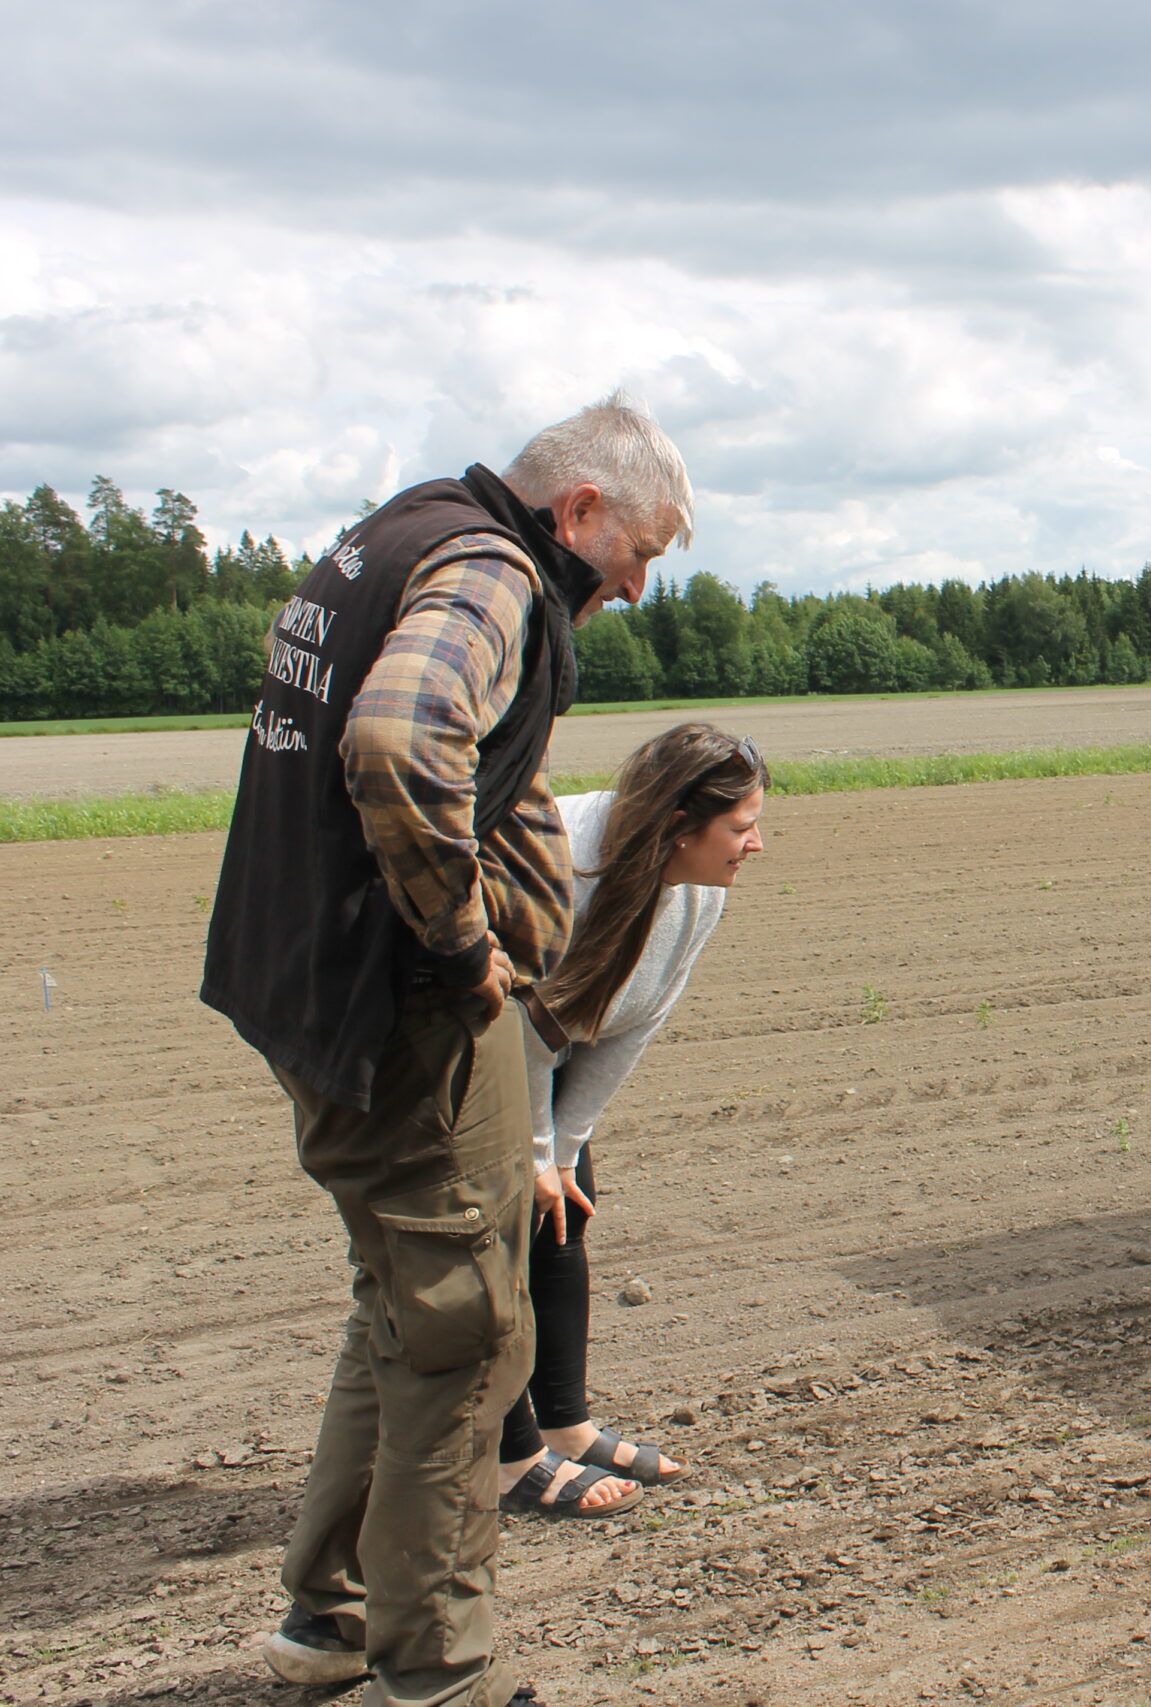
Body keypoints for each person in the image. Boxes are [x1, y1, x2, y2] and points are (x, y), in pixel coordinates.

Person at [199, 393, 693, 1707]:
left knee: (401, 1305)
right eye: (639, 552)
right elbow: (405, 737)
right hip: (398, 1013)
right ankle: (440, 1675)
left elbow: (480, 757)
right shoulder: (490, 568)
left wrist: (524, 890)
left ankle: (331, 1618)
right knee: (472, 1332)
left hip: (302, 985)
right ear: (577, 511)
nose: (638, 587)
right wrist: (470, 945)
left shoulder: (396, 533)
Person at [496, 724, 768, 1516]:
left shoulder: (700, 889)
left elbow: (637, 1015)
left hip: (541, 1043)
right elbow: (526, 1020)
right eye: (742, 827)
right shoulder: (562, 866)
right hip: (473, 1044)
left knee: (567, 1209)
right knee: (506, 1233)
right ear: (679, 825)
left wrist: (565, 1148)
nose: (757, 844)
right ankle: (510, 1452)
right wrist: (534, 1156)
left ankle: (565, 1424)